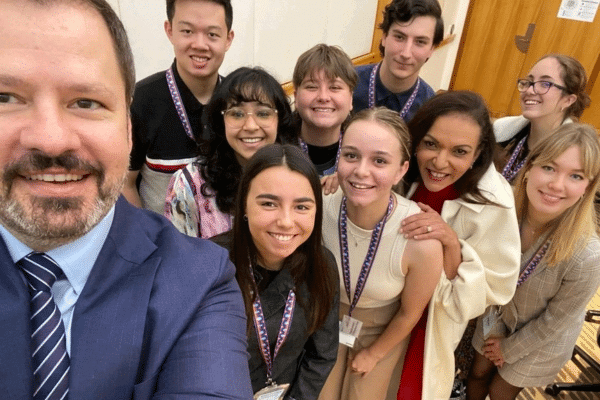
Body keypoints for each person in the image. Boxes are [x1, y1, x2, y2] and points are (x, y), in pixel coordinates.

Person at [0, 1, 252, 398]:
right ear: (169, 31)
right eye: (5, 97)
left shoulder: (199, 284)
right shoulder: (154, 96)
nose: (50, 139)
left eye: (86, 102)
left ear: (128, 130)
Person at [396, 91, 520, 400]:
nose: (439, 162)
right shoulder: (403, 170)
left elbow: (497, 287)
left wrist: (453, 245)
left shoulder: (495, 200)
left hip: (428, 326)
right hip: (380, 304)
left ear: (479, 153)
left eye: (459, 151)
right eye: (431, 144)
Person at [467, 123, 600, 400]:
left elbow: (555, 321)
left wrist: (509, 349)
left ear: (588, 188)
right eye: (549, 167)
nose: (556, 184)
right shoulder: (502, 214)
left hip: (541, 337)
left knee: (500, 390)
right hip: (497, 312)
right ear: (528, 170)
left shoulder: (588, 255)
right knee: (477, 373)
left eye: (575, 176)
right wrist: (498, 331)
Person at [317, 107, 443, 400]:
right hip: (326, 323)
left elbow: (411, 313)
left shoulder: (419, 238)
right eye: (351, 156)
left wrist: (374, 354)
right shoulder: (319, 206)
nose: (361, 171)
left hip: (383, 332)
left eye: (379, 161)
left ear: (401, 169)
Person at [212, 144, 339, 399]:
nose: (286, 221)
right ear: (244, 205)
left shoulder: (322, 266)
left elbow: (321, 355)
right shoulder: (207, 264)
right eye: (269, 203)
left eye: (301, 207)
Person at [123, 0, 235, 214]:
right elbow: (125, 183)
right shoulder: (141, 100)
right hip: (165, 241)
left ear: (228, 39)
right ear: (170, 31)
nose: (200, 44)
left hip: (226, 242)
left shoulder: (237, 100)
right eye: (187, 31)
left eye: (212, 34)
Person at [165, 67, 297, 238]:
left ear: (280, 120)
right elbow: (177, 258)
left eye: (263, 113)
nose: (250, 126)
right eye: (237, 114)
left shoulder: (297, 177)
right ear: (221, 121)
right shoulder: (189, 185)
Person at [495, 54, 590, 182]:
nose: (529, 90)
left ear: (568, 100)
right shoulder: (500, 131)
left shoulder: (579, 154)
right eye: (529, 82)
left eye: (545, 84)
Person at [352, 0, 444, 121]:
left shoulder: (430, 109)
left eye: (420, 42)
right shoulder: (348, 84)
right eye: (399, 37)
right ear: (384, 37)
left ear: (432, 49)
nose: (406, 54)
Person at [293, 44, 357, 178]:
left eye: (334, 87)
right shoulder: (275, 148)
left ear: (351, 99)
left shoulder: (365, 152)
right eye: (311, 87)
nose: (323, 97)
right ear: (296, 97)